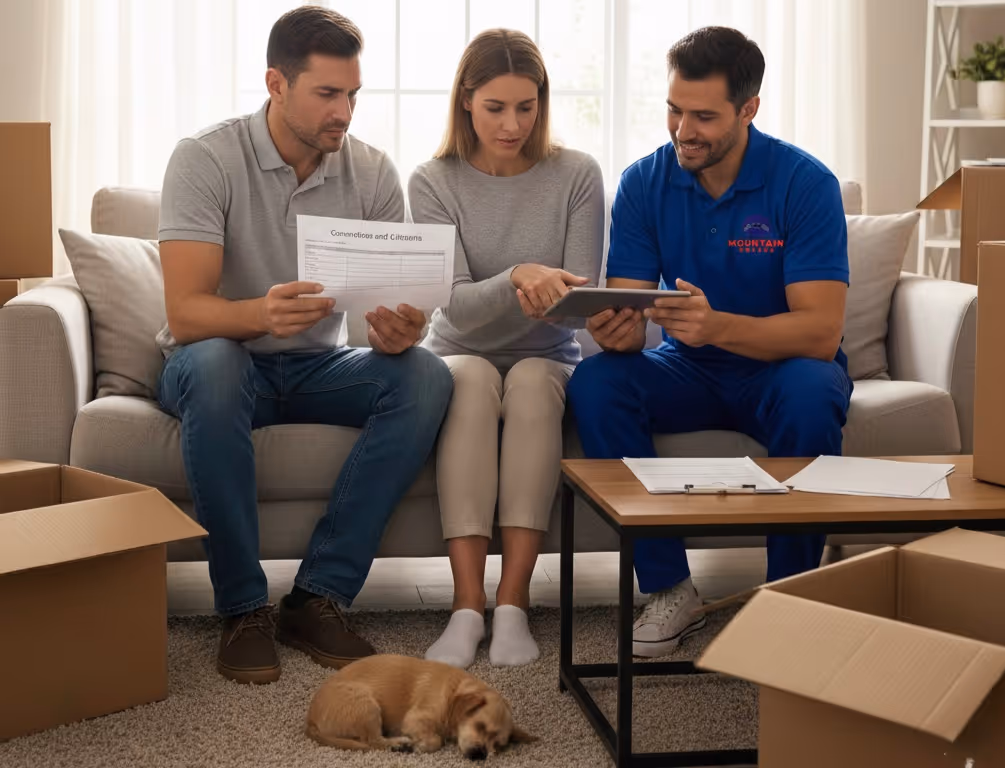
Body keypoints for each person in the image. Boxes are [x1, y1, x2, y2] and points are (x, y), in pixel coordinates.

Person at [156, 6, 453, 684]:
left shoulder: (372, 172)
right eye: (327, 93)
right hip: (209, 364)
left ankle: (318, 596)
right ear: (276, 84)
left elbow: (392, 305)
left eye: (352, 94)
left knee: (426, 376)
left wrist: (400, 330)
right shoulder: (206, 159)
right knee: (218, 361)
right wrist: (259, 312)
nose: (343, 111)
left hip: (316, 364)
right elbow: (187, 313)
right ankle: (242, 607)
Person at [566, 26, 852, 658]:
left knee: (811, 393)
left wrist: (716, 323)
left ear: (748, 109)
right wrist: (618, 331)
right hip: (688, 368)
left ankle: (788, 597)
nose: (682, 130)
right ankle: (669, 588)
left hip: (783, 369)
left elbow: (819, 331)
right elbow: (631, 307)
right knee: (597, 381)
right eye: (673, 109)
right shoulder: (644, 183)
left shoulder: (805, 183)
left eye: (703, 116)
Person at [407, 29, 604, 668]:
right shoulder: (433, 180)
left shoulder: (577, 174)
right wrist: (520, 274)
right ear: (466, 100)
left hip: (547, 353)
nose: (513, 124)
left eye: (528, 107)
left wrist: (537, 291)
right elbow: (455, 306)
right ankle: (467, 607)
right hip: (459, 347)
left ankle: (513, 601)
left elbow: (577, 300)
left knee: (532, 385)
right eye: (496, 107)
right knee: (464, 381)